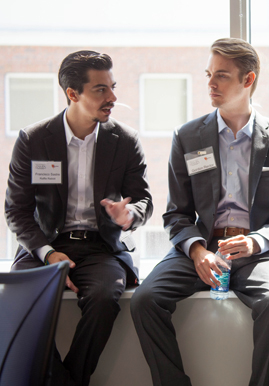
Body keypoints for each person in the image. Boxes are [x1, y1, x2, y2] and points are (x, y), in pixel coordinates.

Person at [130, 37, 269, 386]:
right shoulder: (188, 136)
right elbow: (176, 214)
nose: (210, 83)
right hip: (203, 245)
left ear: (248, 80)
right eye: (209, 74)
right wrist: (198, 252)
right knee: (144, 300)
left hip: (261, 252)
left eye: (222, 76)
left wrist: (255, 242)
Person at [5, 50, 153, 386]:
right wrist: (49, 254)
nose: (113, 97)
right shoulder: (34, 139)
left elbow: (144, 200)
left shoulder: (125, 140)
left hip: (100, 246)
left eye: (112, 87)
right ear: (73, 94)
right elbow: (16, 210)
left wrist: (128, 213)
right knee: (19, 306)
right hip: (45, 245)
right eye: (101, 89)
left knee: (104, 300)